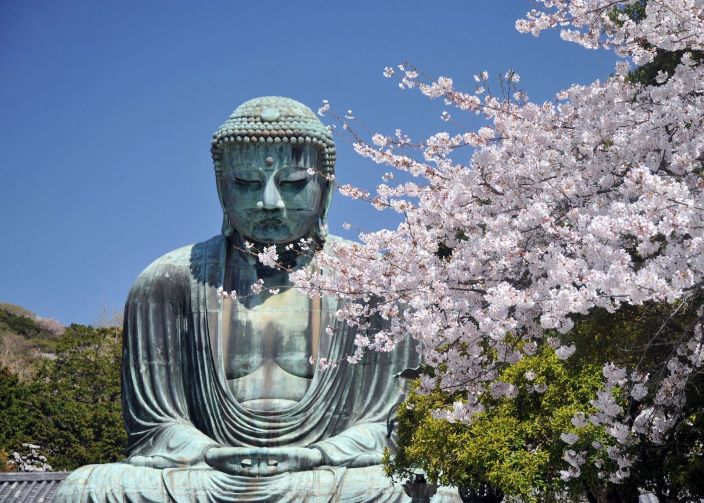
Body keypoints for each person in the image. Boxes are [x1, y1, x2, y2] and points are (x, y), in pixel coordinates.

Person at [55, 97, 458, 502]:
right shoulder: (167, 282)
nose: (270, 201)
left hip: (327, 474)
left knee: (430, 493)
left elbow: (389, 426)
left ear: (326, 188)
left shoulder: (378, 283)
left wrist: (316, 455)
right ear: (221, 187)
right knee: (85, 489)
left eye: (294, 182)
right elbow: (155, 427)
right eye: (247, 183)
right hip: (209, 473)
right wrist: (212, 452)